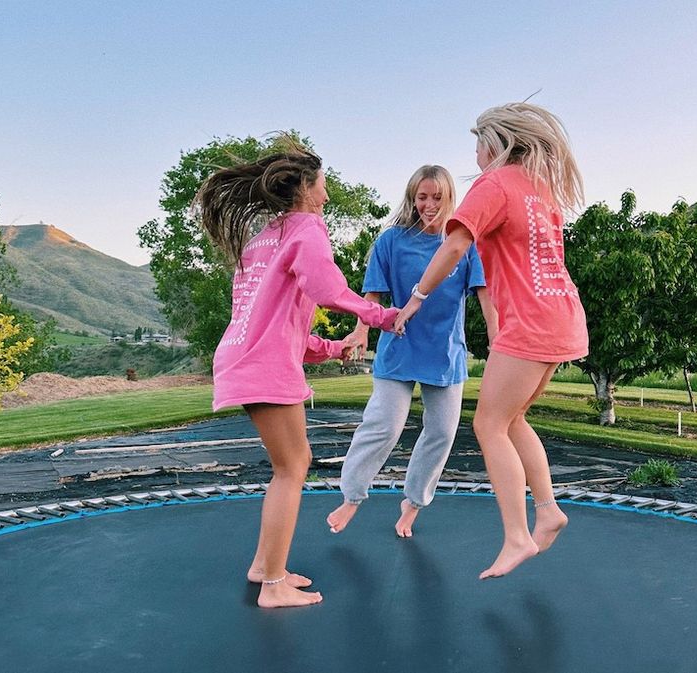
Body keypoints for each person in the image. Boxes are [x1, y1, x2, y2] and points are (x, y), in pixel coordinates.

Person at [195, 143, 399, 608]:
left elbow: (273, 321)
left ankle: (265, 566)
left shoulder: (262, 237)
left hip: (242, 358)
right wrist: (381, 317)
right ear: (305, 186)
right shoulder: (307, 228)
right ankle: (272, 586)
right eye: (323, 185)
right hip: (261, 366)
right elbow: (328, 289)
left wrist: (330, 348)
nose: (326, 196)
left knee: (290, 463)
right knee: (292, 467)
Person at [393, 103, 588, 579]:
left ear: (494, 145)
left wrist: (416, 297)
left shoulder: (495, 184)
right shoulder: (540, 189)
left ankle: (517, 535)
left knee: (488, 426)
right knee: (512, 417)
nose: (475, 154)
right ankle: (547, 511)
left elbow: (454, 244)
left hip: (532, 323)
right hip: (564, 317)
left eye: (478, 145)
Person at [326, 165, 497, 538]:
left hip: (445, 353)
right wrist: (360, 331)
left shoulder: (464, 244)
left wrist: (497, 341)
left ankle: (413, 502)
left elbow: (486, 295)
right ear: (412, 197)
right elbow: (373, 295)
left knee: (441, 432)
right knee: (383, 425)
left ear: (450, 197)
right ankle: (352, 495)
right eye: (422, 196)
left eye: (437, 197)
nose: (429, 204)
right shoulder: (391, 241)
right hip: (399, 348)